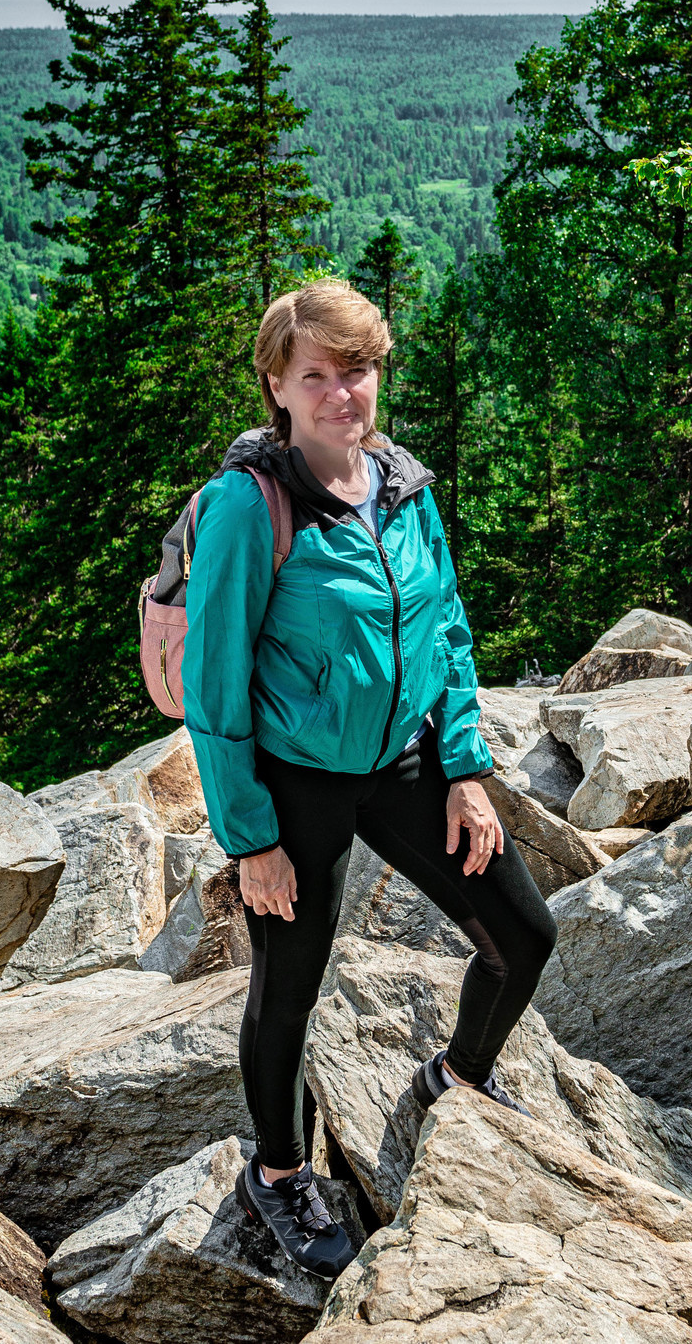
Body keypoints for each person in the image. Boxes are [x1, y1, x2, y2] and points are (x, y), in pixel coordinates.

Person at [182, 279, 557, 1277]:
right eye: (319, 375)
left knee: (524, 934)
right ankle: (277, 1172)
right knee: (290, 986)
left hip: (405, 762)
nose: (344, 392)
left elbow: (446, 630)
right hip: (297, 782)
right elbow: (212, 686)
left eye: (358, 369)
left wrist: (466, 768)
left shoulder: (400, 485)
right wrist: (250, 836)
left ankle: (458, 1077)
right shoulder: (247, 507)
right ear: (277, 384)